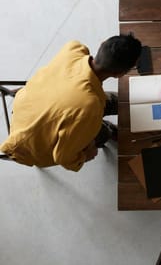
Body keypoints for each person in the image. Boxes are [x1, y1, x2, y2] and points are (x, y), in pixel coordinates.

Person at [0, 34, 142, 171]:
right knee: (101, 132)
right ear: (119, 74)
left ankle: (102, 125)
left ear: (102, 43)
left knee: (102, 103)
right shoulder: (89, 106)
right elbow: (62, 156)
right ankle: (108, 131)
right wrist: (85, 155)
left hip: (28, 105)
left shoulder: (73, 48)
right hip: (32, 144)